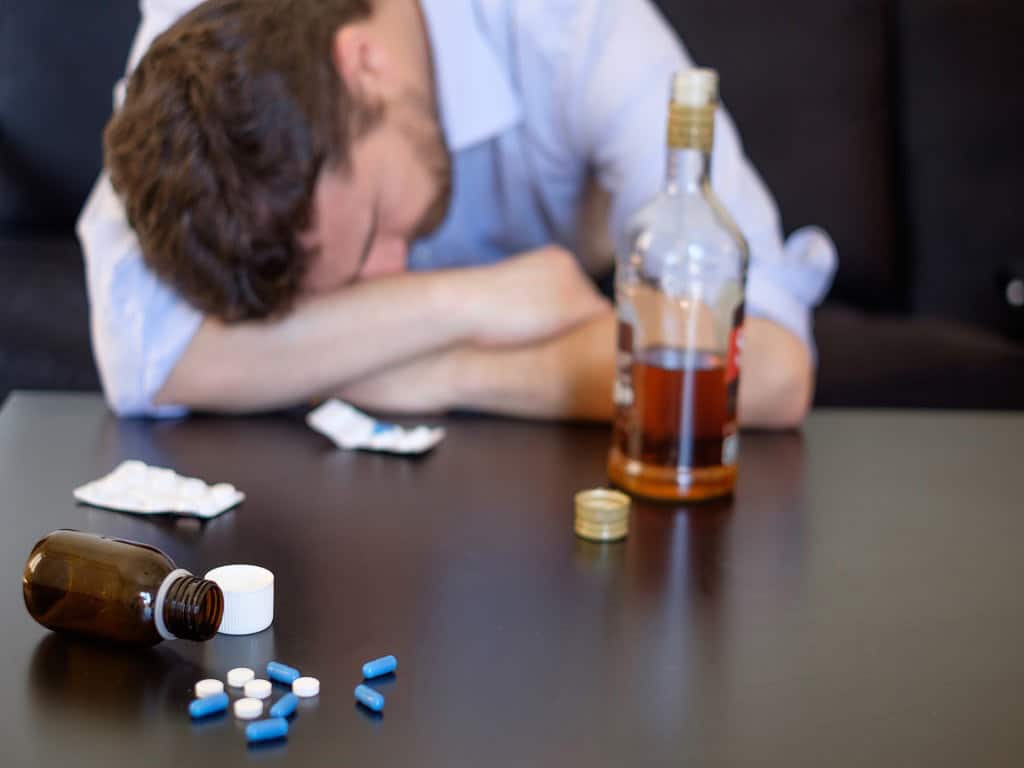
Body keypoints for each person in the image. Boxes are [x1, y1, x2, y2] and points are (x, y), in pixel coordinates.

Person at [78, 0, 836, 426]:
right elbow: (141, 351)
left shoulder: (573, 25)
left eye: (374, 228)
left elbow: (766, 366)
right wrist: (486, 300)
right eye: (340, 290)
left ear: (365, 65)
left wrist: (442, 371)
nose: (386, 280)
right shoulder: (196, 50)